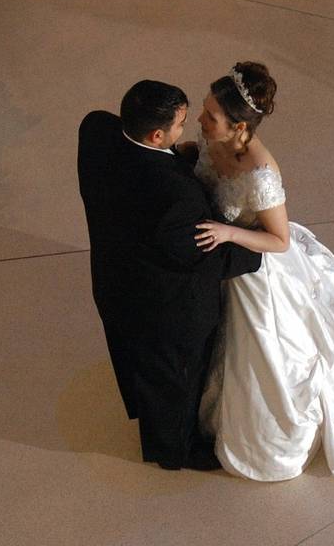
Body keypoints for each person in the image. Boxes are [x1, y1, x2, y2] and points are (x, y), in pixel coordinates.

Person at [187, 62, 334, 482]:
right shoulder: (212, 140)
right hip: (221, 258)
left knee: (261, 357)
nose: (201, 120)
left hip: (253, 266)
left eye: (211, 116)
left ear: (239, 125)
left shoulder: (261, 174)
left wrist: (228, 232)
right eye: (205, 111)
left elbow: (278, 241)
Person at [77, 80, 262, 470]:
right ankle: (173, 452)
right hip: (163, 304)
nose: (187, 127)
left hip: (115, 276)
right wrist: (254, 254)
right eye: (178, 126)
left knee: (141, 362)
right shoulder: (177, 195)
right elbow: (201, 257)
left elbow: (134, 163)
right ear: (157, 134)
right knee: (171, 379)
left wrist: (174, 153)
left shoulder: (96, 131)